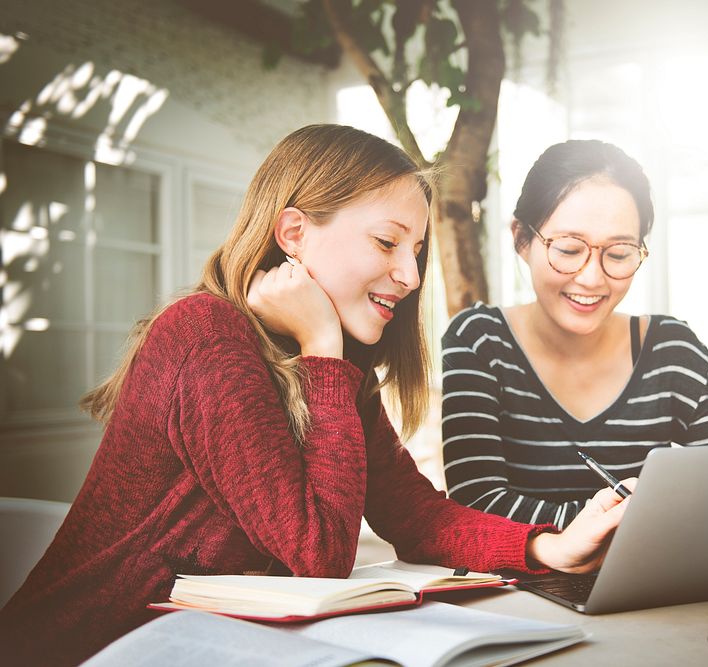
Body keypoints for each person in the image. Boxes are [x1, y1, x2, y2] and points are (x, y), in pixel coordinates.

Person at [0, 125, 632, 666]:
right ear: (294, 232)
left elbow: (414, 515)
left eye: (415, 252)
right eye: (387, 243)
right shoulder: (206, 336)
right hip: (90, 651)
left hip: (202, 646)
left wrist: (549, 545)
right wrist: (322, 348)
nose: (410, 277)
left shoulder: (327, 370)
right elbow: (319, 554)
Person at [442, 139, 708, 528]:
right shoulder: (481, 341)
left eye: (619, 254)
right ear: (522, 238)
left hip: (650, 581)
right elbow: (476, 503)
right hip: (522, 587)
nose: (591, 278)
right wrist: (631, 522)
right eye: (569, 250)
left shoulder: (672, 351)